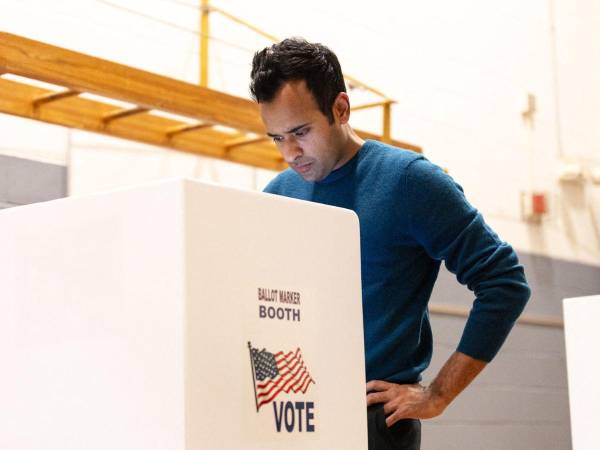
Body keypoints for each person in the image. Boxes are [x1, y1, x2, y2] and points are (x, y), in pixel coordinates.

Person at [249, 38, 531, 450]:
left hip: (373, 421)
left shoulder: (408, 181)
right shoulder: (277, 194)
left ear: (340, 109)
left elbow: (505, 282)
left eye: (300, 132)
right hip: (289, 411)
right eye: (276, 138)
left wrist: (439, 394)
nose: (290, 152)